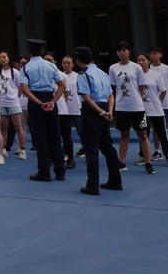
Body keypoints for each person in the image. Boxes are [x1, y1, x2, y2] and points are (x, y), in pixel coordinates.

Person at [74, 46, 122, 196]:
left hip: (92, 111)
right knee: (108, 147)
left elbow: (86, 97)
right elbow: (111, 95)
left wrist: (101, 112)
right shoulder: (102, 73)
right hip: (105, 109)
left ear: (77, 60)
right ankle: (115, 181)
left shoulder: (83, 74)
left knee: (91, 149)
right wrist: (109, 111)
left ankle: (92, 185)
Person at [18, 38, 66, 181]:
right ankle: (60, 171)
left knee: (40, 137)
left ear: (29, 51)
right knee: (55, 136)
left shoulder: (25, 67)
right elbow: (62, 85)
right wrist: (52, 101)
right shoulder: (50, 66)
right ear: (42, 51)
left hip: (35, 101)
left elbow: (25, 90)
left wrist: (40, 104)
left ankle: (44, 171)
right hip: (50, 97)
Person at [109, 41, 154, 174]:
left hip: (136, 107)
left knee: (143, 134)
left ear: (129, 51)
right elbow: (113, 87)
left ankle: (148, 162)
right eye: (119, 50)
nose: (122, 52)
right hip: (122, 107)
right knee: (124, 134)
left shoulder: (136, 67)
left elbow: (141, 86)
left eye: (124, 50)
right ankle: (121, 162)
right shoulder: (113, 68)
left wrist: (137, 99)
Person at [137, 53, 168, 167]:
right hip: (142, 110)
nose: (141, 62)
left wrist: (157, 101)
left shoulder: (155, 75)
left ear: (148, 61)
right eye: (138, 60)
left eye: (143, 60)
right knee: (143, 134)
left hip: (156, 110)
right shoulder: (135, 75)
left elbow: (163, 91)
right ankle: (143, 156)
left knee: (162, 134)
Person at [0, 51, 27, 160]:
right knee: (3, 127)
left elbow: (21, 87)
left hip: (13, 103)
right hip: (1, 103)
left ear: (8, 58)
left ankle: (22, 149)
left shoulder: (15, 72)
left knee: (18, 127)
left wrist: (15, 97)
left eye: (4, 57)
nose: (2, 59)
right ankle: (3, 148)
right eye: (0, 57)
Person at [56, 56, 81, 170]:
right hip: (64, 109)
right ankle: (64, 152)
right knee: (65, 132)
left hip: (76, 107)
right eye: (64, 63)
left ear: (73, 64)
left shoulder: (78, 76)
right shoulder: (59, 75)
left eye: (69, 63)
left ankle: (84, 148)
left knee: (81, 130)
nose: (66, 65)